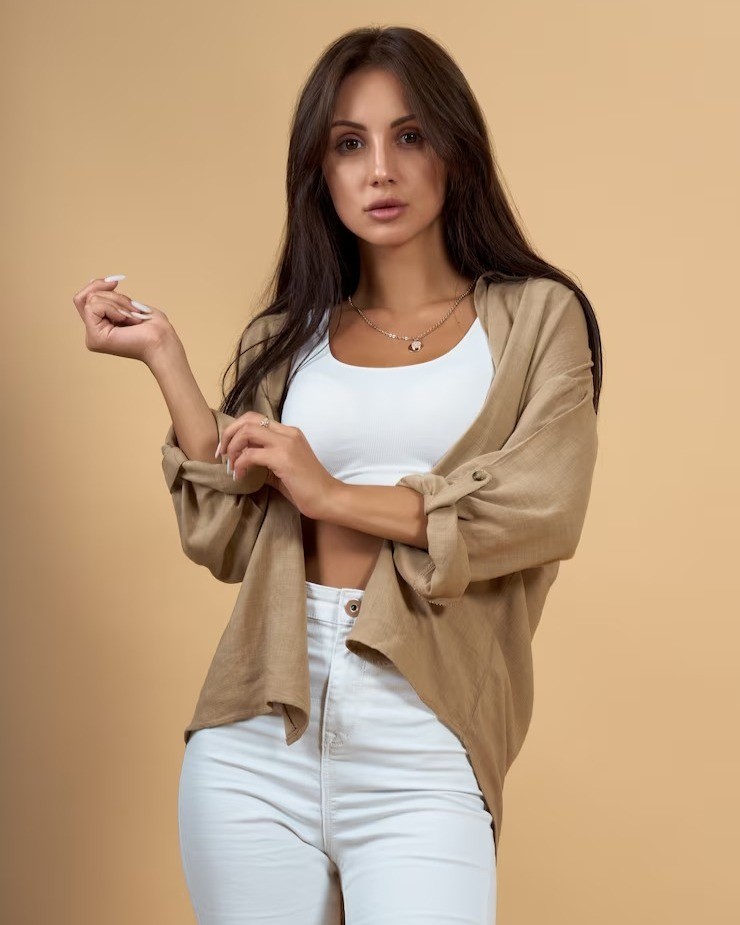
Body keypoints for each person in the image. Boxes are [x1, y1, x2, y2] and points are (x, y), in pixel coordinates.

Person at [73, 25, 602, 925]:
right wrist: (164, 358)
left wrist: (329, 493)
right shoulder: (290, 336)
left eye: (409, 136)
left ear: (456, 150)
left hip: (423, 732)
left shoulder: (535, 318)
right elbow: (228, 535)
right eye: (349, 144)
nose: (380, 171)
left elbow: (540, 507)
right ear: (320, 171)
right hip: (257, 724)